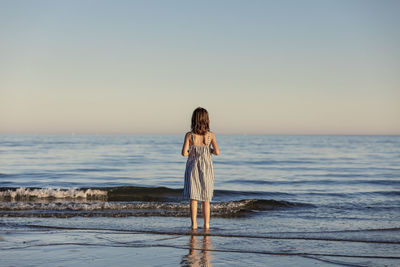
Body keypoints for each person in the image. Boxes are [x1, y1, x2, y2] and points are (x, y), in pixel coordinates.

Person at [181, 107, 220, 230]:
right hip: (207, 169)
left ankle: (194, 225)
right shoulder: (210, 135)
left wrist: (192, 151)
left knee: (194, 198)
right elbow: (217, 152)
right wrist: (209, 150)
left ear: (194, 119)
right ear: (206, 120)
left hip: (193, 168)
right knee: (206, 199)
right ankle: (207, 225)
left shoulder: (189, 135)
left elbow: (184, 153)